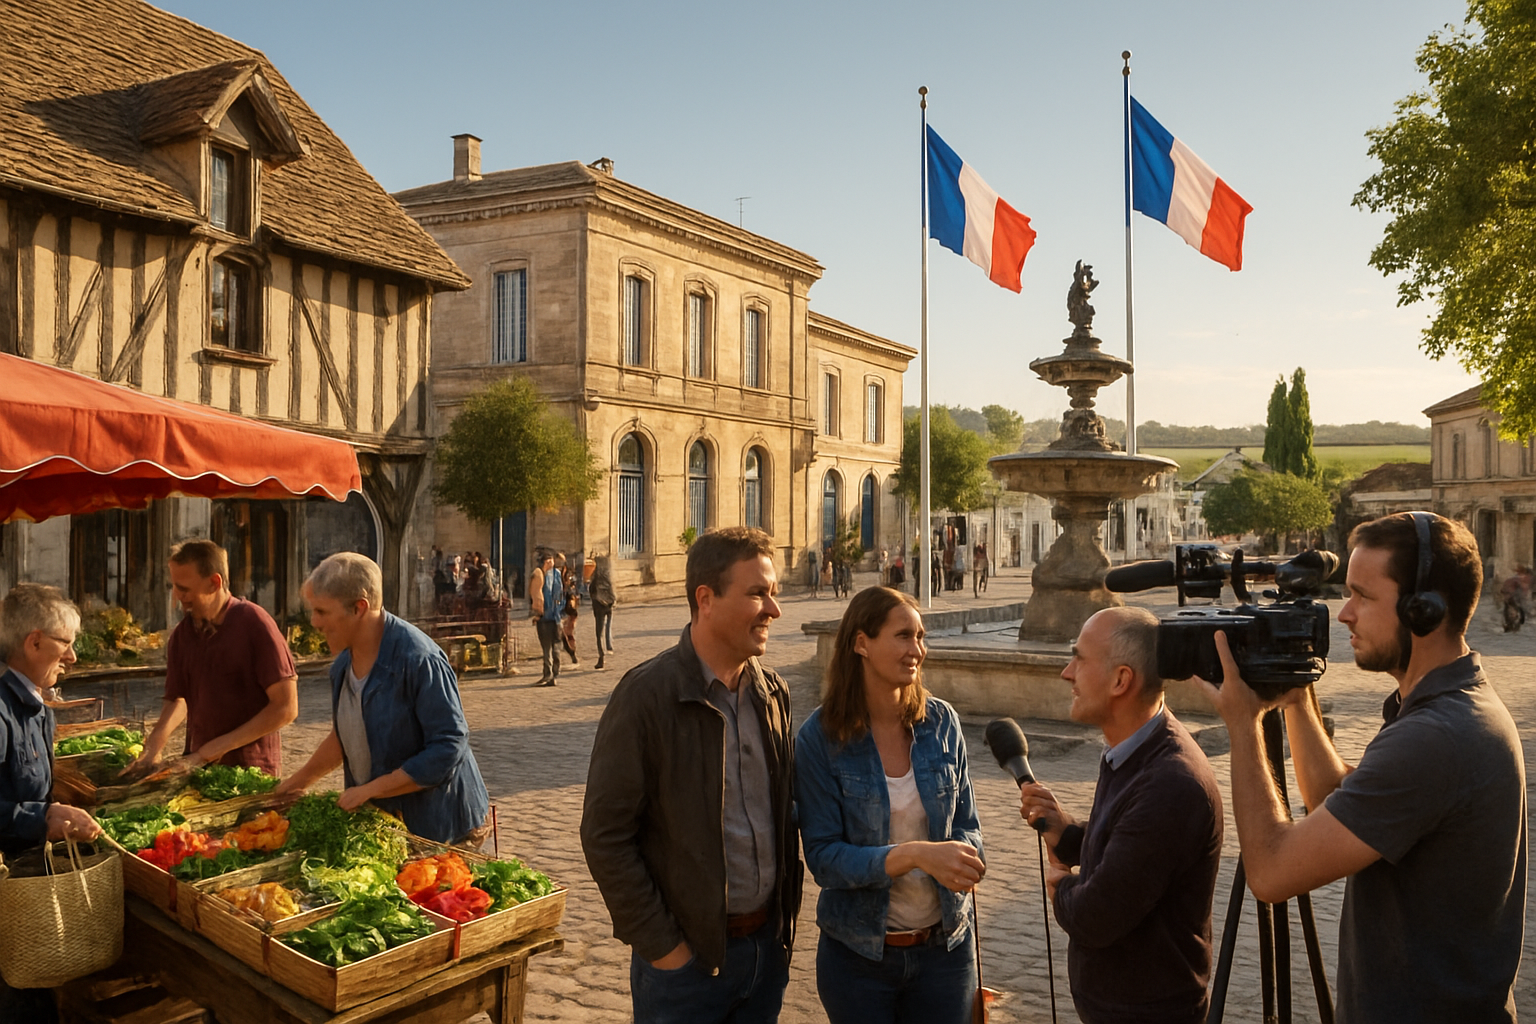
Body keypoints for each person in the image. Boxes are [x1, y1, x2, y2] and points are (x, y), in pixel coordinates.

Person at [1195, 512, 1525, 1022]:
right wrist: (1297, 695)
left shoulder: (1434, 738)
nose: (1344, 614)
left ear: (1422, 610)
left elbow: (1271, 873)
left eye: (1363, 597)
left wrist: (1243, 725)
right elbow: (1336, 800)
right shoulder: (1452, 705)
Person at [581, 527, 801, 1024]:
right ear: (706, 598)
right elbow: (605, 836)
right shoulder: (646, 696)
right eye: (757, 593)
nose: (774, 609)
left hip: (765, 956)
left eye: (774, 593)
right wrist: (667, 951)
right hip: (687, 971)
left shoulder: (774, 695)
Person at [1019, 606, 1224, 1024]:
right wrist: (1070, 834)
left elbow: (1098, 915)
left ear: (1121, 680)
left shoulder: (1170, 783)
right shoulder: (1132, 750)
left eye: (1079, 658)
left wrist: (1063, 890)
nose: (1066, 672)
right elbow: (1127, 851)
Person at [796, 587, 985, 1024]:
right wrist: (915, 854)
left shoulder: (942, 723)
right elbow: (824, 859)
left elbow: (968, 824)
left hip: (946, 953)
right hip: (860, 959)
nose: (916, 649)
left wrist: (965, 856)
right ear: (861, 643)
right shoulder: (820, 738)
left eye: (920, 636)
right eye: (903, 636)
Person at [275, 553, 490, 846]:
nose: (314, 622)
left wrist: (371, 790)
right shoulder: (342, 666)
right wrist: (295, 784)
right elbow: (346, 736)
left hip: (442, 828)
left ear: (359, 608)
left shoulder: (419, 659)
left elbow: (448, 745)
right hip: (388, 825)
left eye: (322, 611)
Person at [1, 584, 103, 1024]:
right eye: (67, 643)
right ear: (34, 641)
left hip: (25, 885)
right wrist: (41, 817)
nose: (74, 657)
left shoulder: (38, 704)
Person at [127, 540, 297, 777]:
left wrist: (216, 748)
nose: (177, 597)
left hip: (250, 775)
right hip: (197, 770)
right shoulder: (182, 635)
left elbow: (286, 708)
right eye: (174, 588)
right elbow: (178, 699)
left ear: (214, 583)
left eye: (184, 589)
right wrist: (154, 745)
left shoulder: (254, 623)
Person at [530, 552, 562, 687]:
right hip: (553, 616)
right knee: (552, 647)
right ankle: (552, 674)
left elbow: (544, 597)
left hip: (547, 617)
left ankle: (550, 674)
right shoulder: (551, 574)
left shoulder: (546, 575)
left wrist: (540, 613)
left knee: (550, 647)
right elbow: (559, 595)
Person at [589, 554, 616, 670]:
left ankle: (601, 656)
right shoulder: (608, 576)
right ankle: (609, 646)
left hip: (599, 607)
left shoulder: (596, 578)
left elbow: (591, 591)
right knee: (608, 627)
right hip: (609, 606)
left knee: (599, 633)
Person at [1500, 564, 1530, 632]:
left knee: (1507, 611)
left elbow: (1502, 590)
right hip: (1512, 597)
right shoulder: (1518, 579)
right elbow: (1522, 588)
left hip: (1507, 597)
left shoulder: (1510, 579)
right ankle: (1514, 624)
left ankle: (1509, 625)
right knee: (1518, 609)